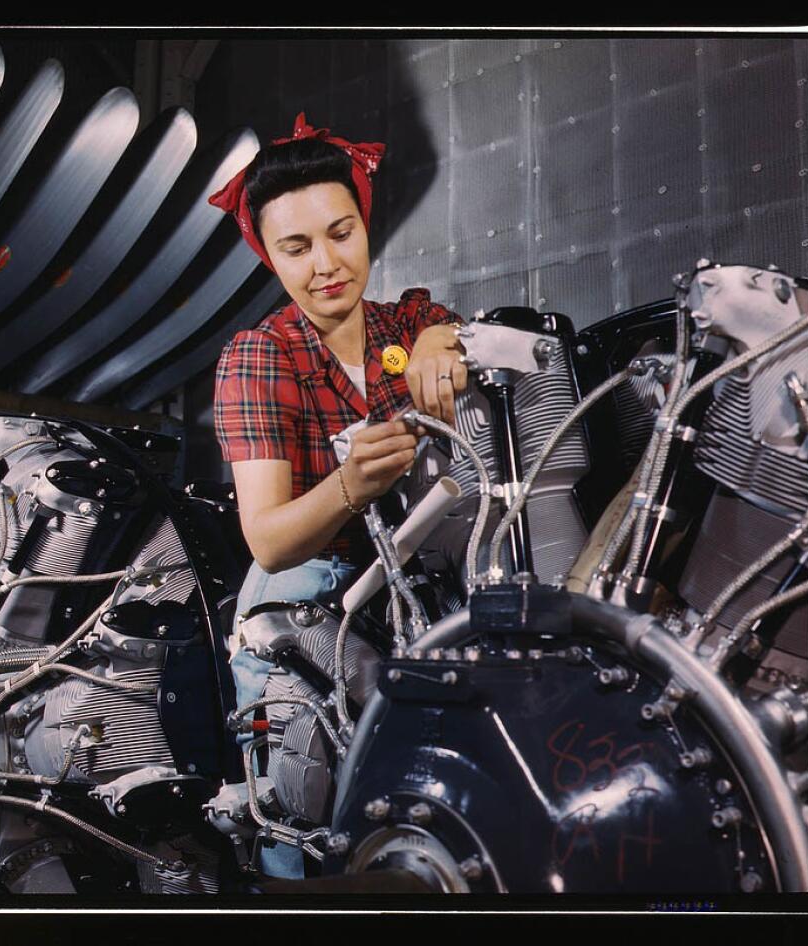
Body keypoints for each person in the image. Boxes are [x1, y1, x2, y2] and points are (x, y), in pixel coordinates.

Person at [208, 113, 467, 877]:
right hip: (303, 613)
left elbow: (456, 338)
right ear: (268, 256)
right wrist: (350, 486)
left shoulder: (410, 320)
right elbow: (270, 539)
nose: (327, 264)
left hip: (412, 598)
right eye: (296, 247)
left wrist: (439, 341)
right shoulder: (261, 356)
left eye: (341, 233)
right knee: (306, 835)